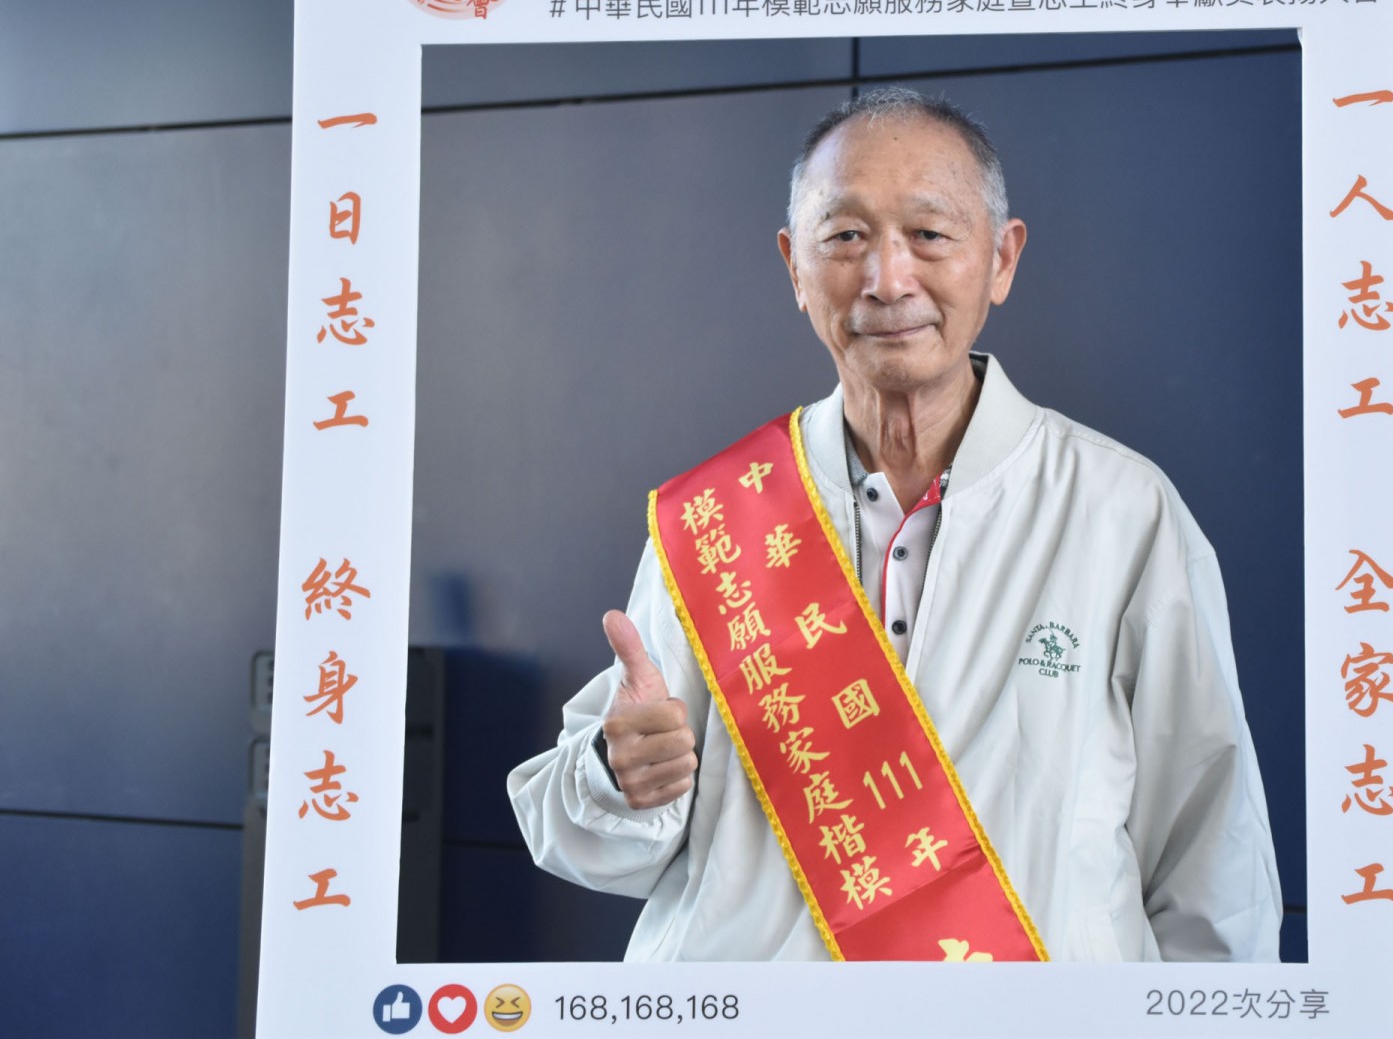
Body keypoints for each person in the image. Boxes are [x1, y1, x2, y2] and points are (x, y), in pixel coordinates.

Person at [508, 87, 1281, 961]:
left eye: (930, 233)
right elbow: (582, 838)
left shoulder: (1121, 511)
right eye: (845, 236)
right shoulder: (720, 518)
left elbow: (1215, 864)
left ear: (1002, 258)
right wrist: (618, 780)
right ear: (793, 266)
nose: (886, 278)